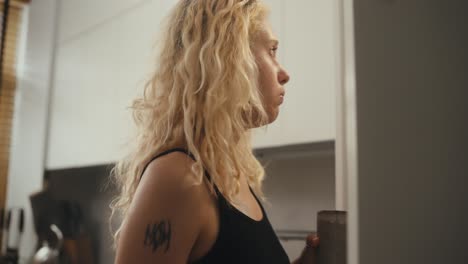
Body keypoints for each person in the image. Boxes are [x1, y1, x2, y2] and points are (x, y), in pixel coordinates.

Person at [111, 0, 320, 263]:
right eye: (272, 51)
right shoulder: (180, 177)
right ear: (229, 59)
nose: (284, 73)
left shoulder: (230, 174)